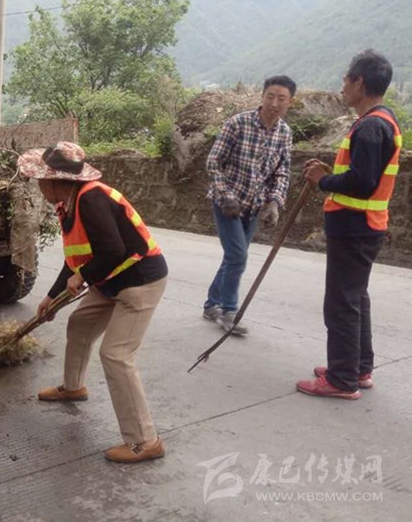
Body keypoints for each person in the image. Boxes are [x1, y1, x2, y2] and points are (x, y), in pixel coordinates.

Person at [18, 141, 169, 464]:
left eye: (41, 179)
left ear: (57, 181)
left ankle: (145, 441)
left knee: (116, 355)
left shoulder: (92, 199)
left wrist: (83, 276)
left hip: (138, 282)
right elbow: (76, 257)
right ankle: (73, 388)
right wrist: (52, 296)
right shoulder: (68, 204)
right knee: (80, 324)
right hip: (110, 279)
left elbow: (113, 251)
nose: (39, 185)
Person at [296, 50, 401, 400]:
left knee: (341, 302)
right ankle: (358, 367)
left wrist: (323, 181)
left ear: (359, 82)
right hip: (365, 225)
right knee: (355, 298)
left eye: (346, 79)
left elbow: (362, 181)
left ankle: (342, 379)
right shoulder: (382, 121)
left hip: (355, 226)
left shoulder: (371, 126)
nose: (342, 86)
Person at [203, 76, 295, 336]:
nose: (274, 103)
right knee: (237, 257)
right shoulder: (238, 123)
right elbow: (213, 162)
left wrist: (274, 202)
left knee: (234, 257)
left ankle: (211, 304)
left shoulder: (284, 133)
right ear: (262, 96)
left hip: (254, 206)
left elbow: (282, 173)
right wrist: (225, 195)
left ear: (289, 102)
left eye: (281, 99)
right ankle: (229, 312)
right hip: (228, 204)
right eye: (270, 96)